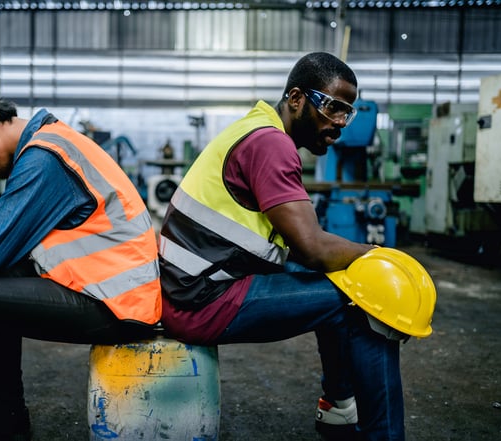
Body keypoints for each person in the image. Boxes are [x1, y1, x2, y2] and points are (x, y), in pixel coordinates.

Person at [158, 52, 422, 441]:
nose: (339, 124)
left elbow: (300, 247)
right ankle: (378, 432)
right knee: (362, 299)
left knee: (339, 276)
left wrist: (347, 257)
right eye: (333, 107)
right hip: (201, 301)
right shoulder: (271, 145)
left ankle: (339, 407)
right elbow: (312, 247)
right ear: (296, 98)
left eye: (347, 113)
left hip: (194, 285)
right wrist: (380, 255)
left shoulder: (257, 129)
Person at [0, 78, 161, 441]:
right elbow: (2, 242)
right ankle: (6, 414)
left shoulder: (43, 159)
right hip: (112, 292)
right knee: (6, 270)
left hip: (115, 304)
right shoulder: (48, 144)